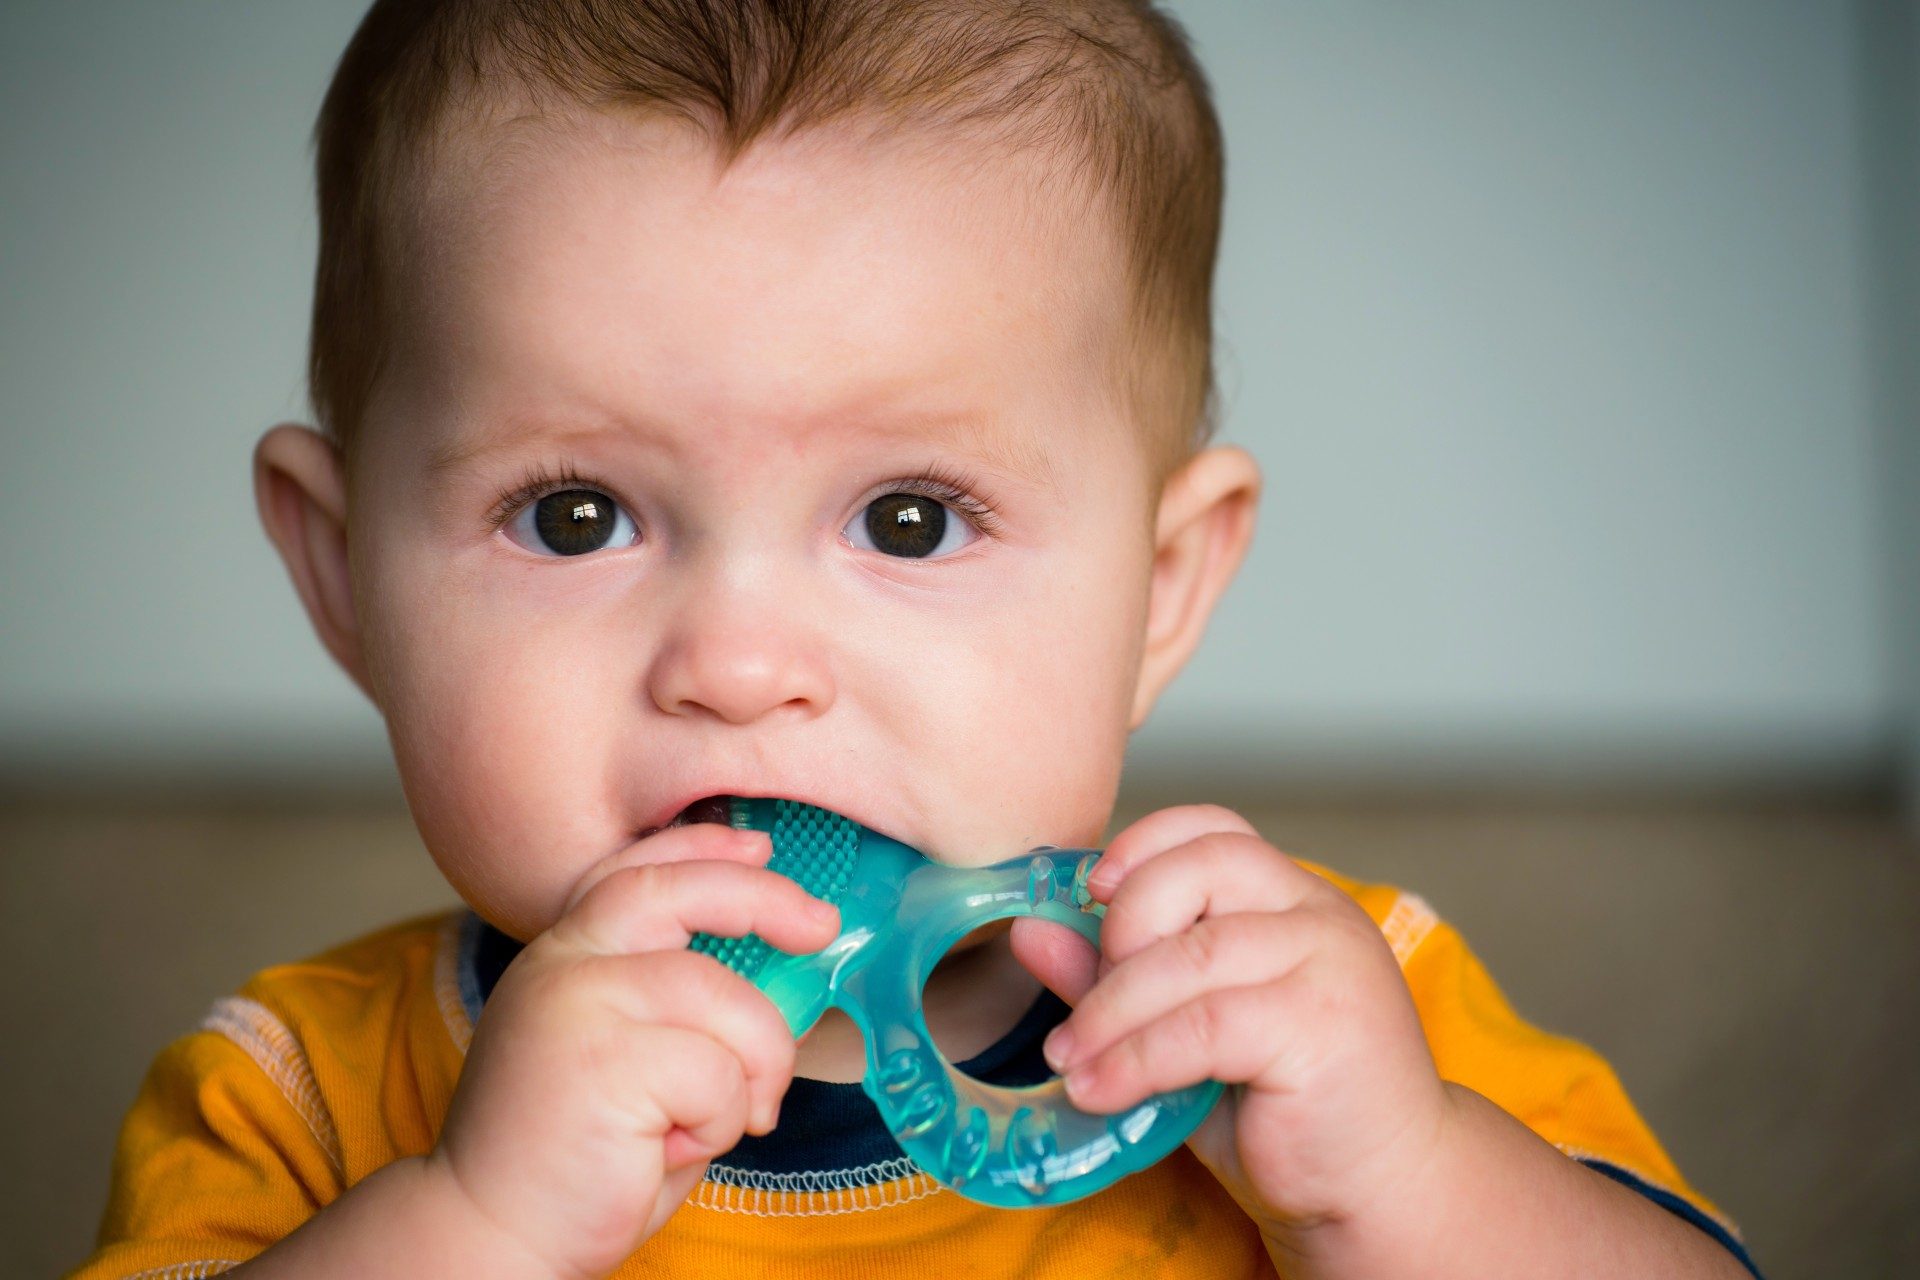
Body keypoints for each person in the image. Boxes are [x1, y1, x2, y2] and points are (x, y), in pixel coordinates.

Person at [68, 2, 1763, 1277]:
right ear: (346, 576)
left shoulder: (1313, 1016)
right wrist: (474, 1222)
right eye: (575, 515)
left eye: (909, 520)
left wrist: (1409, 1179)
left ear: (1160, 591)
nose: (740, 667)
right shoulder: (296, 1099)